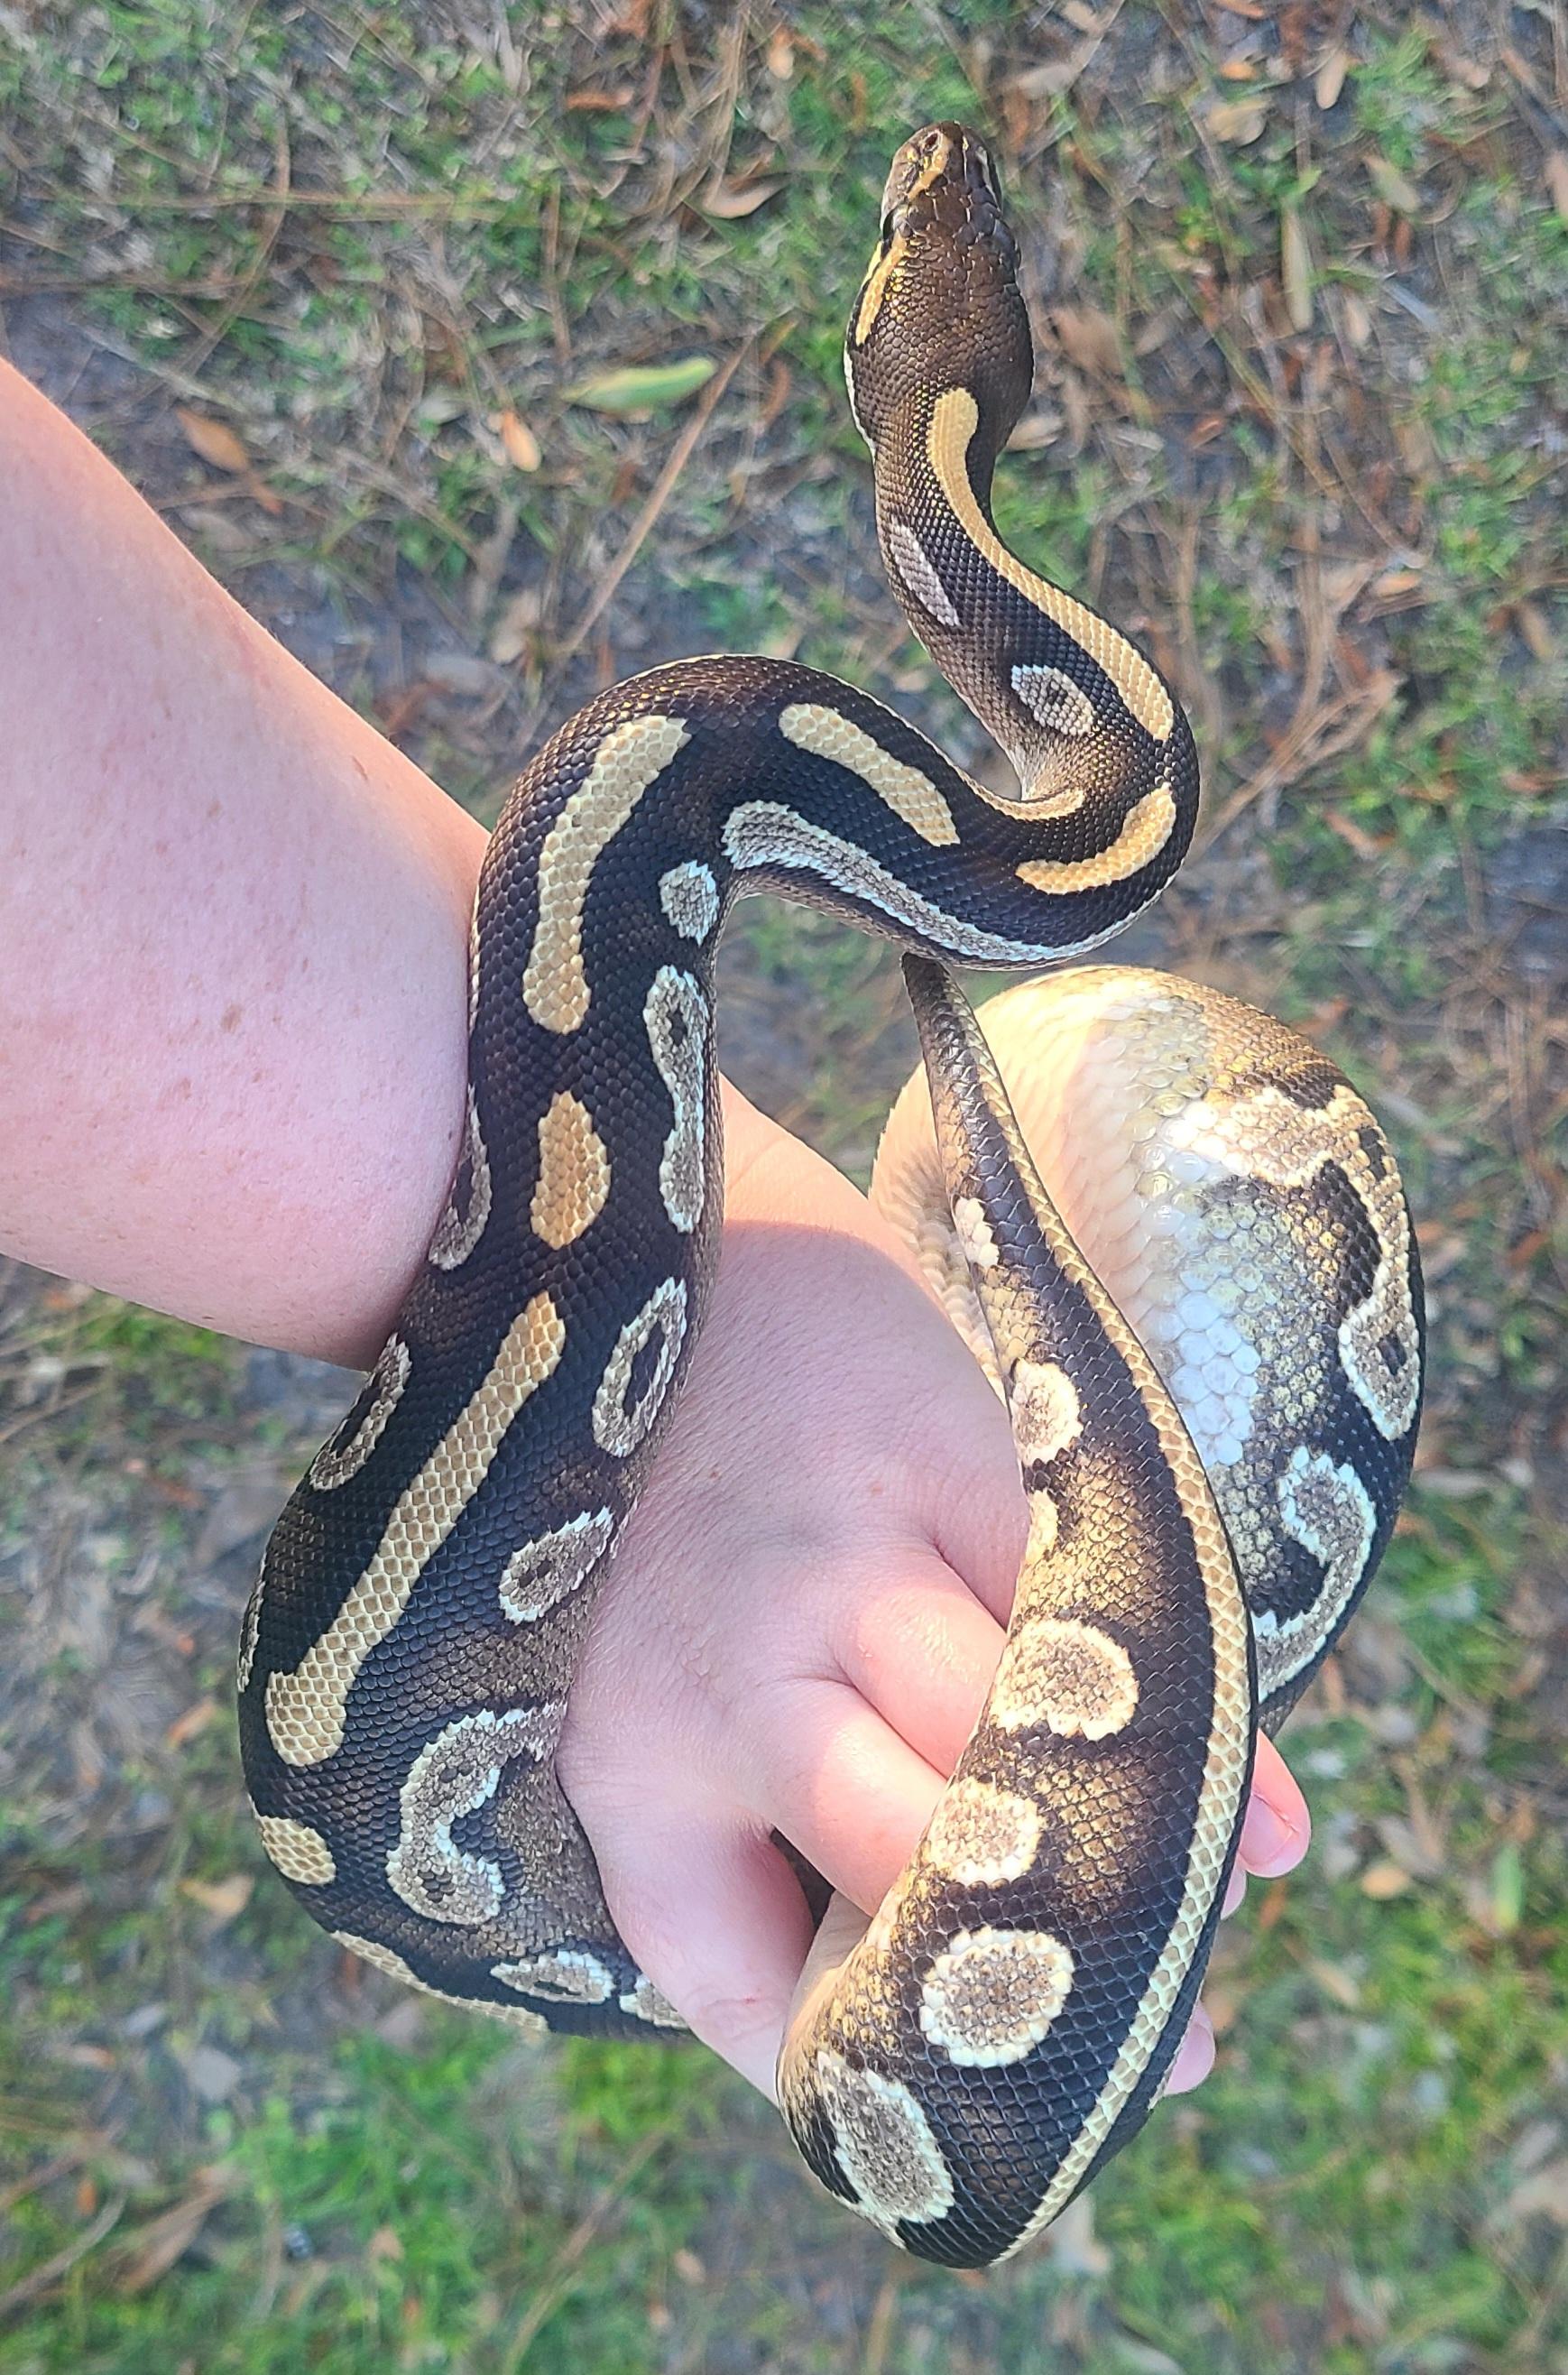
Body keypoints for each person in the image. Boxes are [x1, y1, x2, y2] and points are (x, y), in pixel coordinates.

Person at [0, 357, 1308, 2102]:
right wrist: (702, 1338)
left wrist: (678, 1318)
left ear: (878, 390)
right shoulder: (817, 773)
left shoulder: (696, 766)